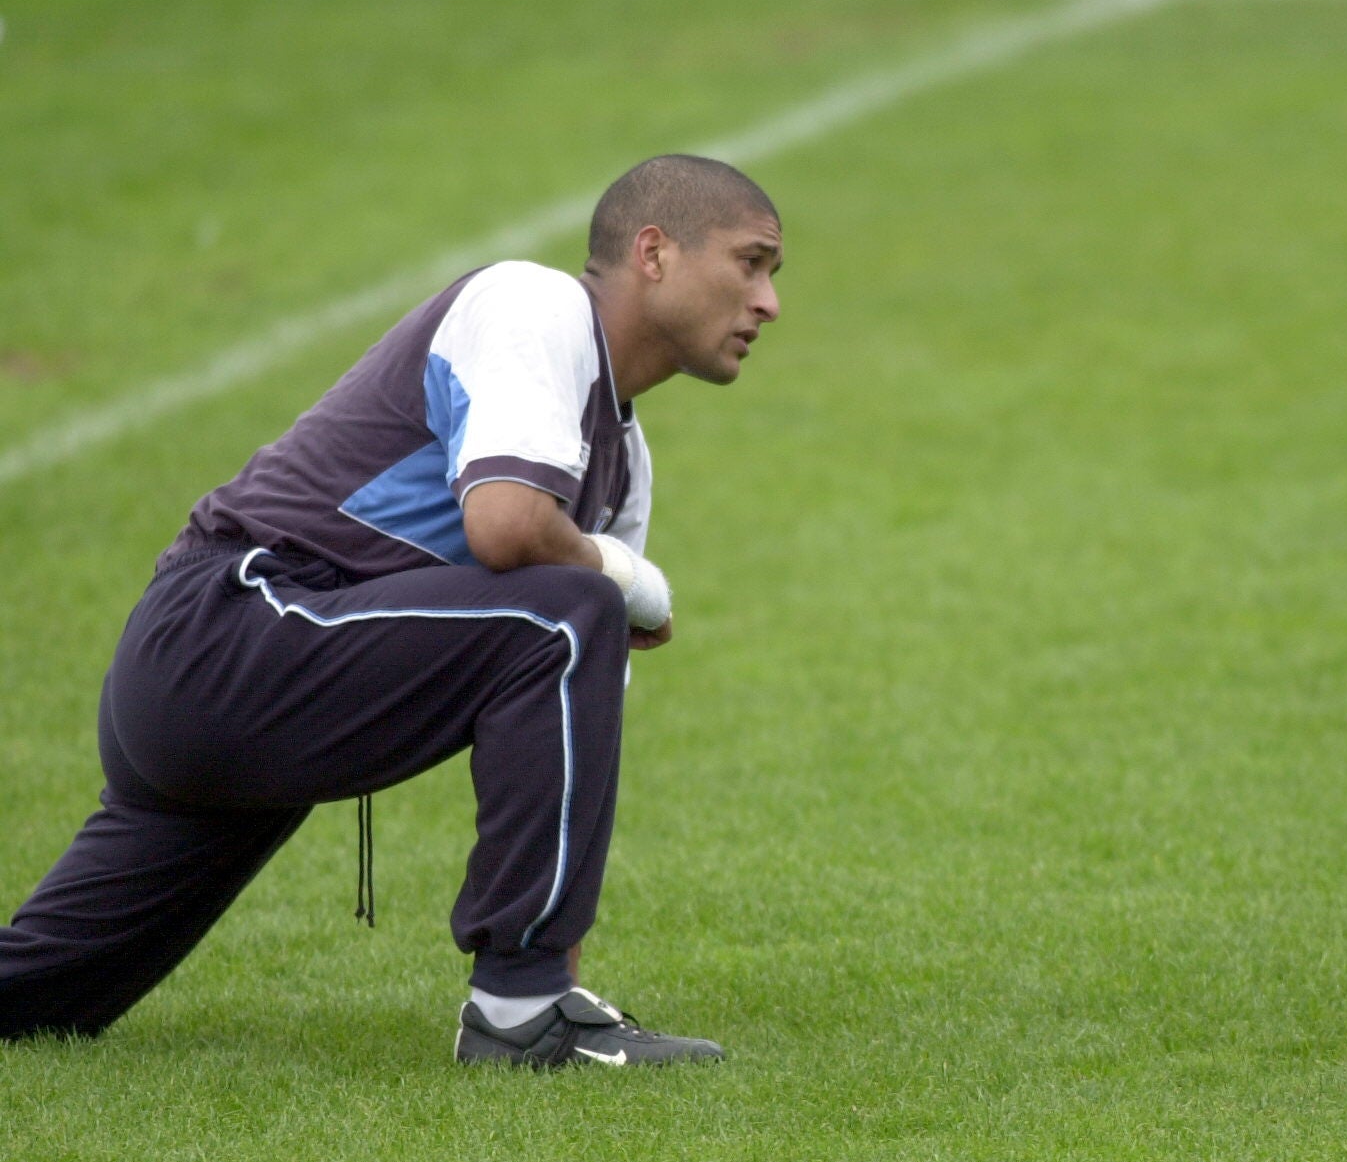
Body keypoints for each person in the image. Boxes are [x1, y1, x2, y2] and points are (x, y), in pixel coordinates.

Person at [0, 154, 782, 1068]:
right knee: (570, 607)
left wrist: (563, 966)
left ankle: (538, 1004)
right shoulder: (536, 307)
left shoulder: (622, 461)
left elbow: (571, 745)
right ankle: (518, 1016)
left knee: (37, 1000)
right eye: (752, 262)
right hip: (226, 630)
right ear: (654, 252)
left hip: (247, 689)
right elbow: (508, 528)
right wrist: (623, 575)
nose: (769, 302)